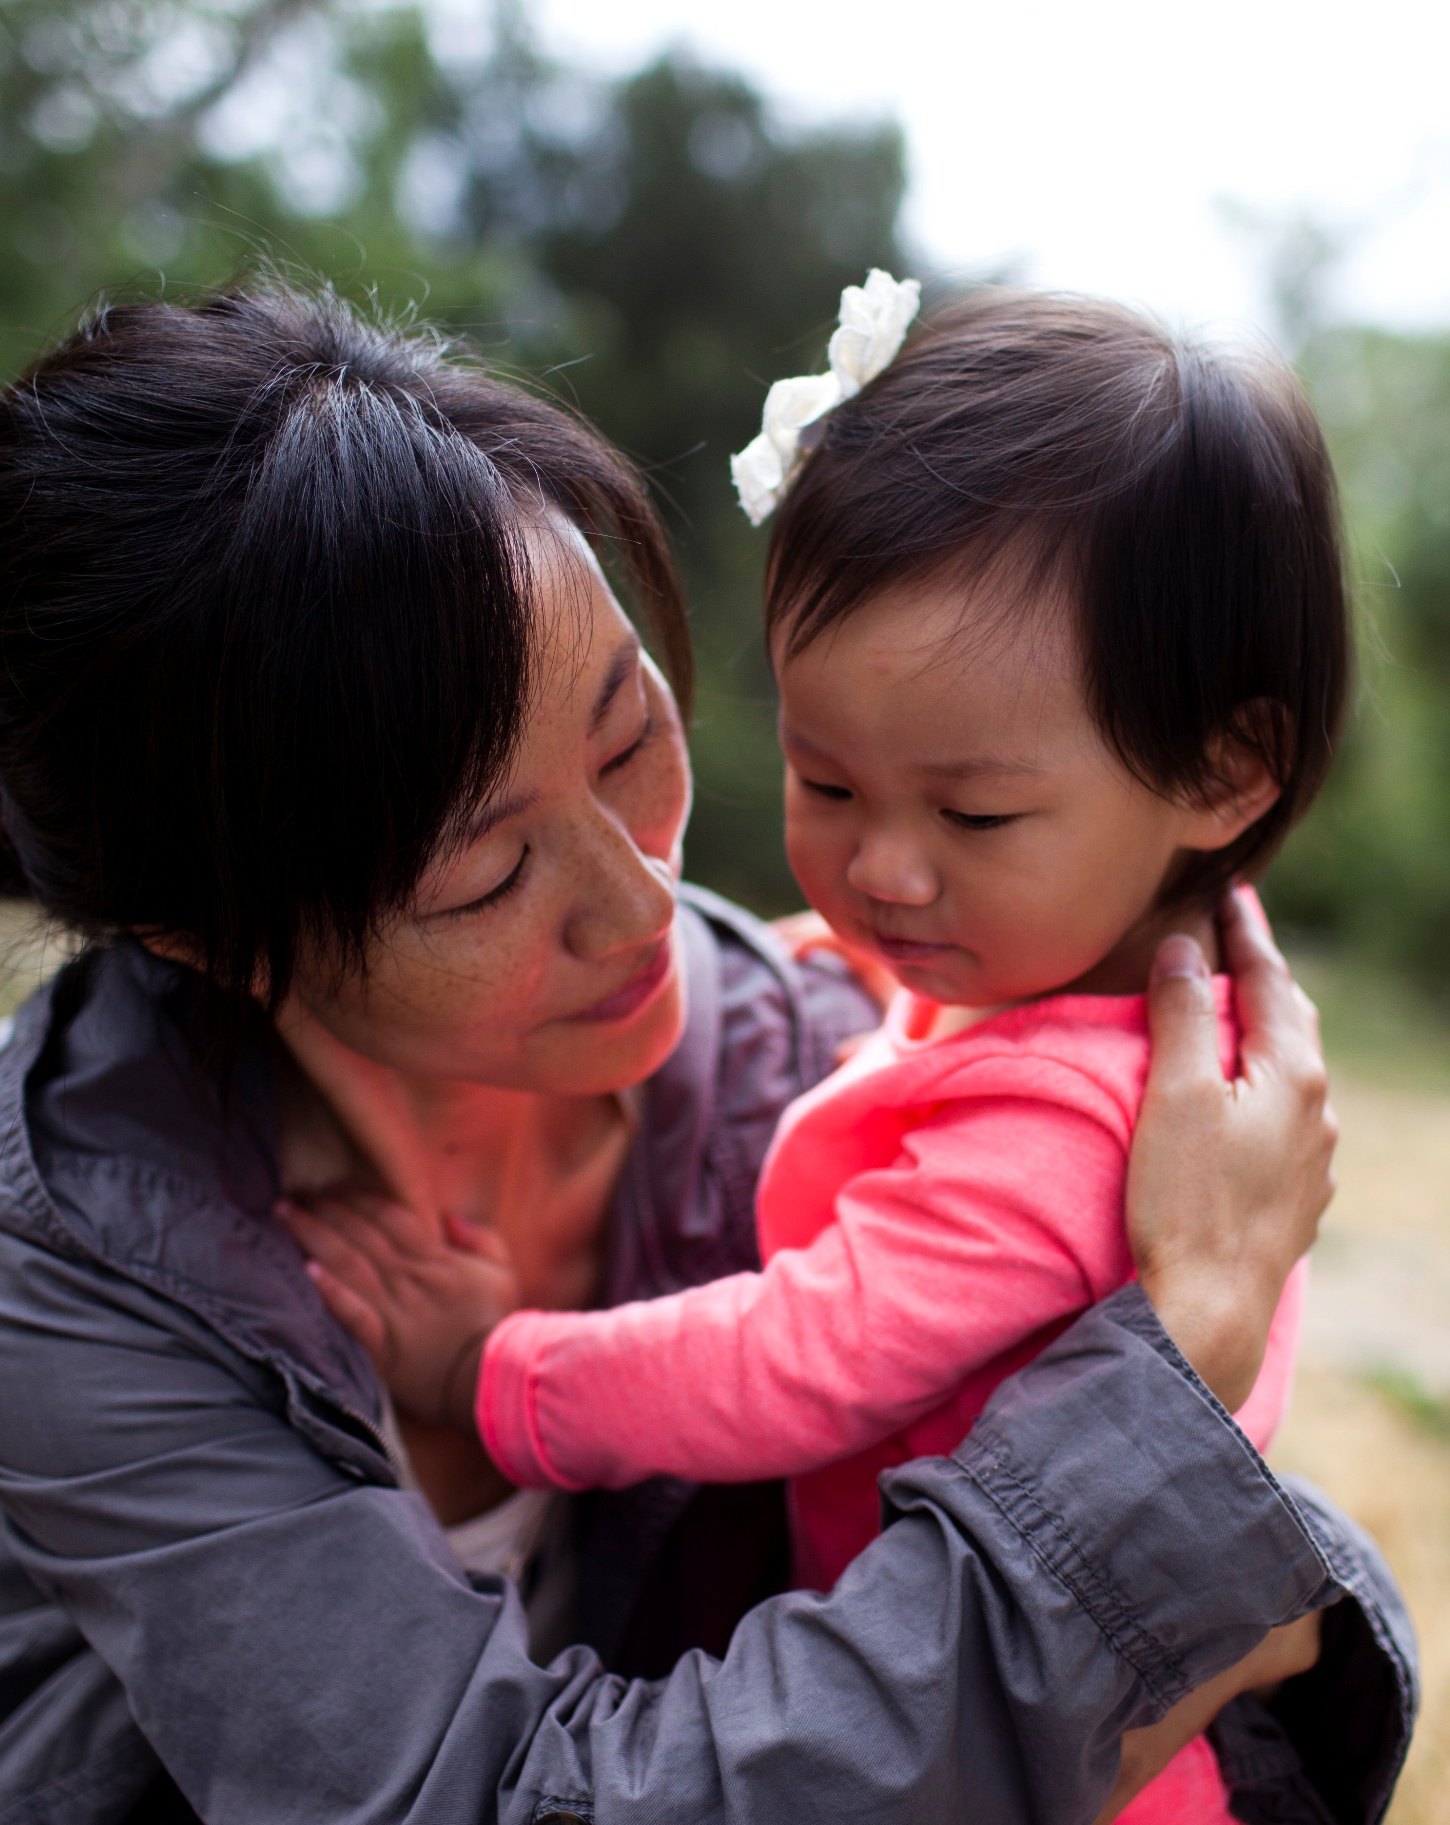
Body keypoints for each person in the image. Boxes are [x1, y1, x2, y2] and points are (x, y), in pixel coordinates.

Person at [0, 279, 1415, 1825]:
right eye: (486, 876)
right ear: (202, 930)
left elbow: (1240, 1610)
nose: (646, 909)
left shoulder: (813, 1051)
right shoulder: (60, 1255)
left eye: (632, 735)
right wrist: (1181, 1345)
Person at [286, 278, 1348, 1825]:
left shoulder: (1067, 1134)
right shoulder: (1103, 963)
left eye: (972, 813)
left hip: (1065, 1766)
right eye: (825, 778)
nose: (885, 870)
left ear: (1220, 768)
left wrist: (490, 1371)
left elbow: (800, 1355)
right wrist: (854, 949)